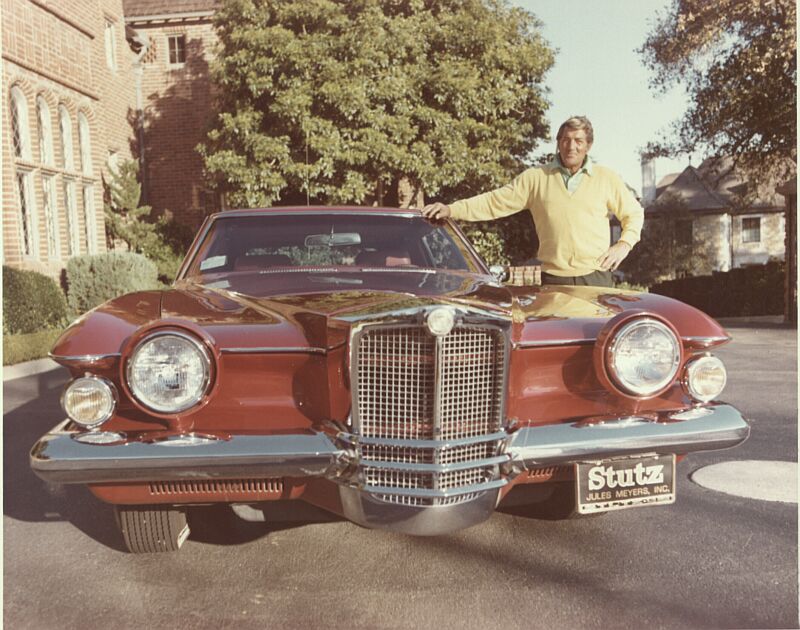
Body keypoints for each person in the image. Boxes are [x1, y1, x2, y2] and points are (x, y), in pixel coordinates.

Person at [421, 116, 644, 287]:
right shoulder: (536, 178)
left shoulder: (606, 178)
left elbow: (634, 213)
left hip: (596, 277)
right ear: (558, 143)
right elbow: (494, 202)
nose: (571, 146)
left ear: (588, 146)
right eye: (565, 140)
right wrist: (451, 209)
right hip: (553, 280)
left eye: (578, 141)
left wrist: (623, 245)